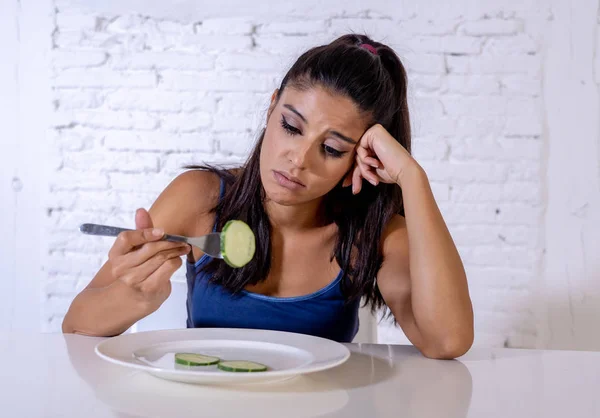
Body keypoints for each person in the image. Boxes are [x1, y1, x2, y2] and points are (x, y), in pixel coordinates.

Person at [62, 34, 474, 359]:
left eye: (331, 149)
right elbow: (76, 325)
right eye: (292, 126)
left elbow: (447, 341)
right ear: (272, 107)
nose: (298, 160)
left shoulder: (375, 235)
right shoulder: (200, 198)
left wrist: (412, 178)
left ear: (361, 156)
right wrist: (133, 296)